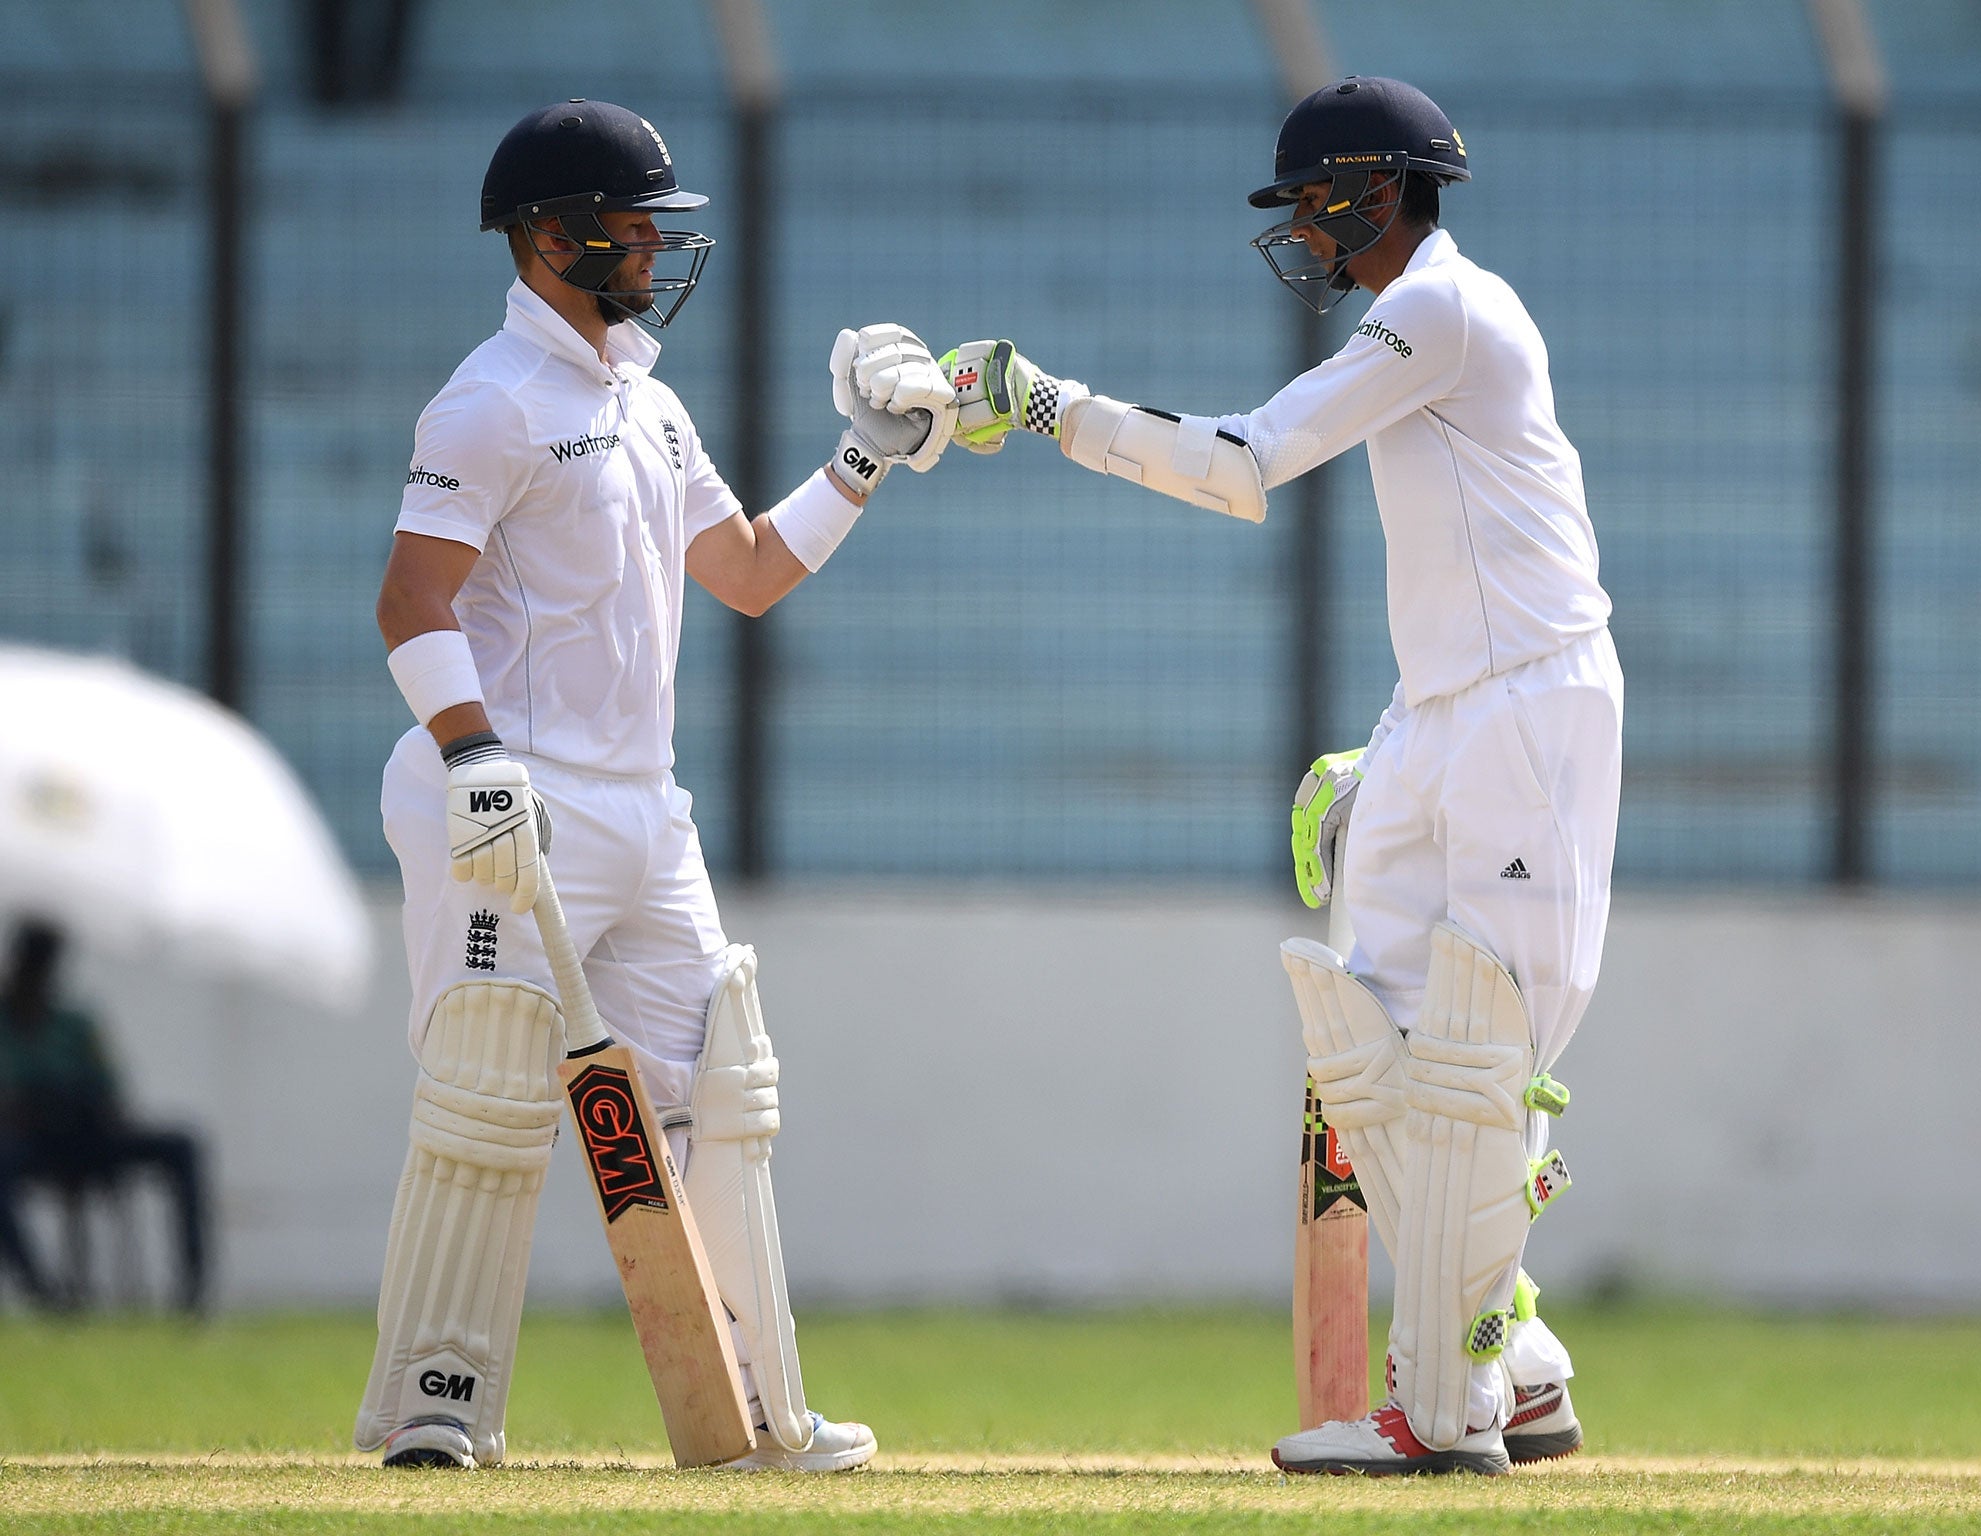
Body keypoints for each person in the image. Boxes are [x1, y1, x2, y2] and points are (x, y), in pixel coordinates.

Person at [939, 77, 1622, 1476]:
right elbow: (1454, 559)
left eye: (1315, 205)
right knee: (1365, 1027)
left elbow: (1249, 464)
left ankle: (1446, 1409)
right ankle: (1522, 1357)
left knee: (1484, 1051)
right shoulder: (1413, 317)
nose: (1303, 234)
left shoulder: (1442, 306)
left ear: (1373, 192)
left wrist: (1051, 404)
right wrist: (1400, 730)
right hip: (1447, 708)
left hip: (1534, 709)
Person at [359, 98, 954, 1471]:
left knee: (722, 1098)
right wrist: (471, 756)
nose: (652, 246)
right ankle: (435, 1409)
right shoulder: (489, 402)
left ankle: (758, 1411)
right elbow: (410, 599)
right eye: (631, 225)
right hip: (513, 800)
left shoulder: (647, 396)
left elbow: (745, 568)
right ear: (550, 237)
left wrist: (864, 460)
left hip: (643, 805)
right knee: (490, 1092)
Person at [0, 918, 211, 1314]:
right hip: (30, 1143)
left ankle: (192, 1288)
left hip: (88, 1134)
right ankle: (44, 1295)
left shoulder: (75, 1023)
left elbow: (110, 1090)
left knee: (183, 1144)